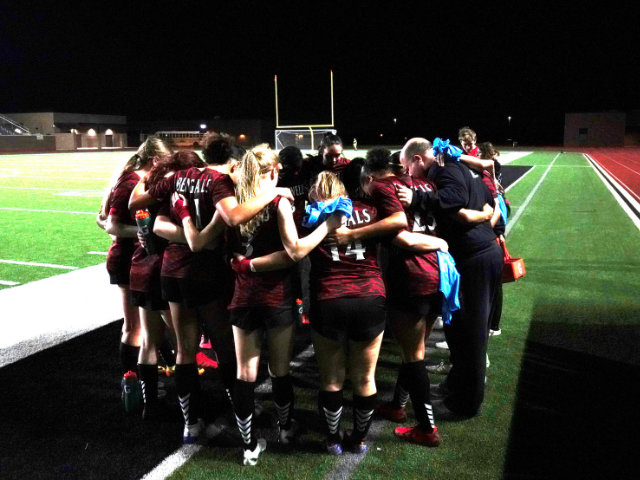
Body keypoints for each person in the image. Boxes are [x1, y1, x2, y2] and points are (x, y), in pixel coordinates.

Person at [129, 133, 293, 444]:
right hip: (207, 273)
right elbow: (231, 216)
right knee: (226, 349)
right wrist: (273, 193)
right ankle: (241, 410)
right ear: (233, 162)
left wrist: (152, 177)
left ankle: (189, 424)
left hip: (172, 273)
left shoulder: (179, 176)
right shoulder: (222, 183)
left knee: (185, 350)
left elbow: (140, 206)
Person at [227, 144, 341, 466]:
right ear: (274, 171)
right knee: (279, 371)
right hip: (276, 297)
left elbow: (230, 251)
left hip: (242, 297)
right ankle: (286, 428)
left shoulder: (233, 203)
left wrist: (245, 264)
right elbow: (293, 252)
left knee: (245, 374)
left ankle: (248, 447)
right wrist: (327, 226)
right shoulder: (280, 201)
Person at [396, 137, 503, 419]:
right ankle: (457, 384)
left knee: (472, 335)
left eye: (408, 167)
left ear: (418, 159)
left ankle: (466, 404)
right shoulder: (452, 169)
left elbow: (455, 199)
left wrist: (418, 198)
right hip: (473, 256)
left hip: (476, 258)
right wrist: (479, 216)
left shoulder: (445, 170)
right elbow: (488, 202)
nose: (408, 174)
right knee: (457, 330)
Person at [97, 136, 172, 411]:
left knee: (147, 327)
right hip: (128, 261)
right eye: (165, 163)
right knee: (135, 328)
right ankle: (131, 384)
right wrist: (147, 232)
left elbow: (100, 219)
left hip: (133, 261)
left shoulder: (131, 179)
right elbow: (113, 225)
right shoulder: (130, 182)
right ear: (155, 160)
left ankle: (143, 381)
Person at [131, 149, 207, 420]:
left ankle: (148, 406)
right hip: (165, 268)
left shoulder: (152, 184)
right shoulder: (175, 186)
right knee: (184, 347)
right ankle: (192, 411)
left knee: (149, 341)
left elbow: (131, 206)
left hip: (141, 267)